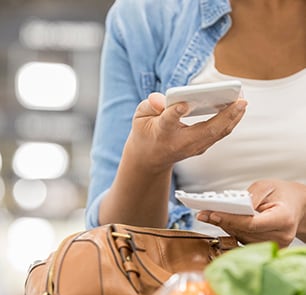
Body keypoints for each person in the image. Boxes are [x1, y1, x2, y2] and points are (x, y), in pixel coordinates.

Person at [86, 0, 306, 248]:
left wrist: (303, 210)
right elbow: (111, 240)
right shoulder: (145, 17)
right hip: (192, 283)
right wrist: (148, 163)